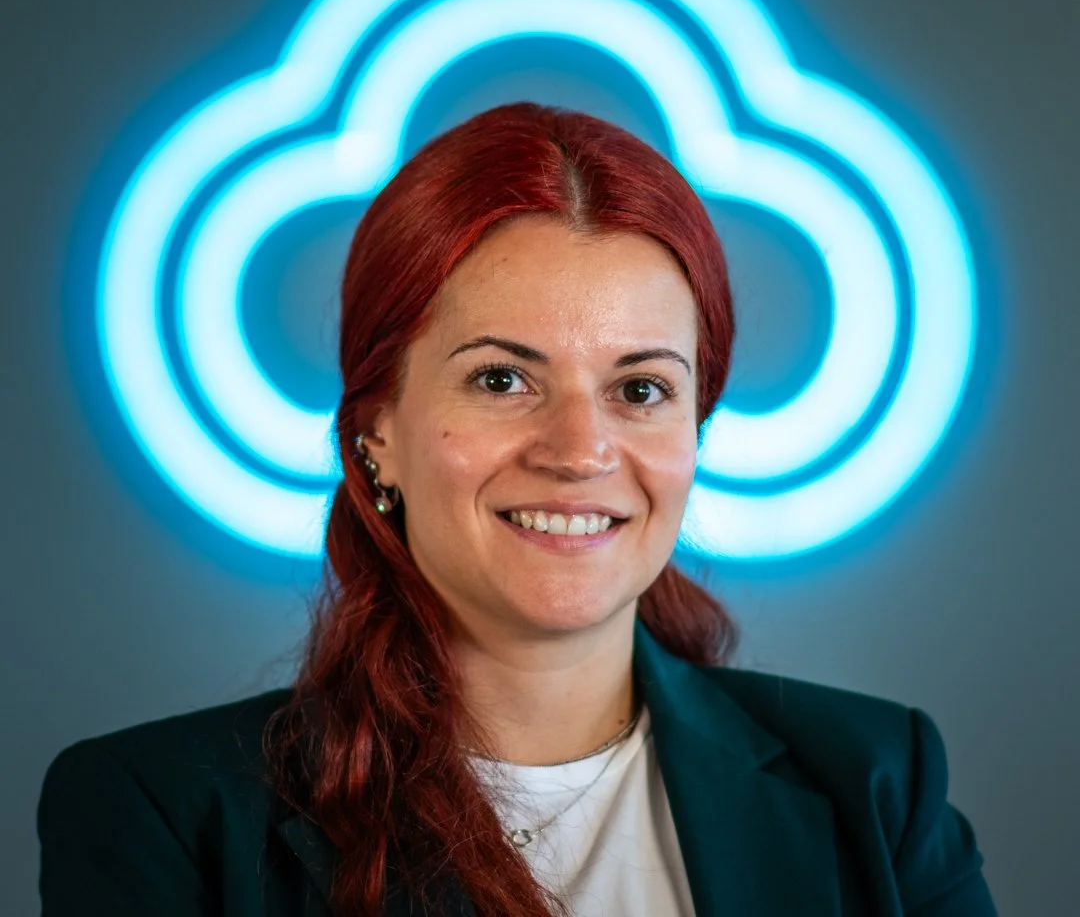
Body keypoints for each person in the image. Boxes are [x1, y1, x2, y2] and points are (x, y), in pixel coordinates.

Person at [37, 102, 997, 916]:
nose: (580, 450)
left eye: (642, 389)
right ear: (376, 429)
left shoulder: (878, 785)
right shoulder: (159, 816)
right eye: (501, 379)